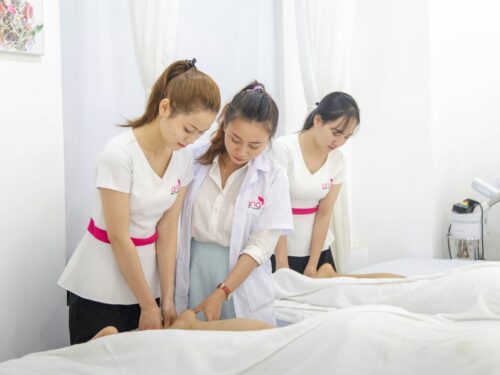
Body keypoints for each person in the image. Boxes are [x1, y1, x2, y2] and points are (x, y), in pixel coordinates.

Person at [57, 59, 221, 344]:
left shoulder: (182, 157)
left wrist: (166, 299)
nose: (192, 139)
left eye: (200, 133)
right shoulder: (119, 155)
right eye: (188, 129)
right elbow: (119, 236)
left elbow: (168, 229)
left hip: (148, 281)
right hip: (102, 280)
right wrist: (148, 305)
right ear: (165, 107)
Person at [173, 81, 293, 325]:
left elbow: (260, 245)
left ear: (269, 140)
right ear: (224, 123)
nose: (242, 151)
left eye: (255, 145)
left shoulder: (274, 176)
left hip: (240, 276)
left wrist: (223, 291)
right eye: (235, 139)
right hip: (192, 267)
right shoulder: (193, 158)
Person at [271, 92, 359, 277]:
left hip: (317, 250)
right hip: (278, 249)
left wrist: (312, 264)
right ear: (318, 120)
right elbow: (276, 209)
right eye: (336, 133)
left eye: (347, 137)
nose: (340, 142)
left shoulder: (338, 159)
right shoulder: (283, 148)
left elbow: (324, 212)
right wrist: (282, 263)